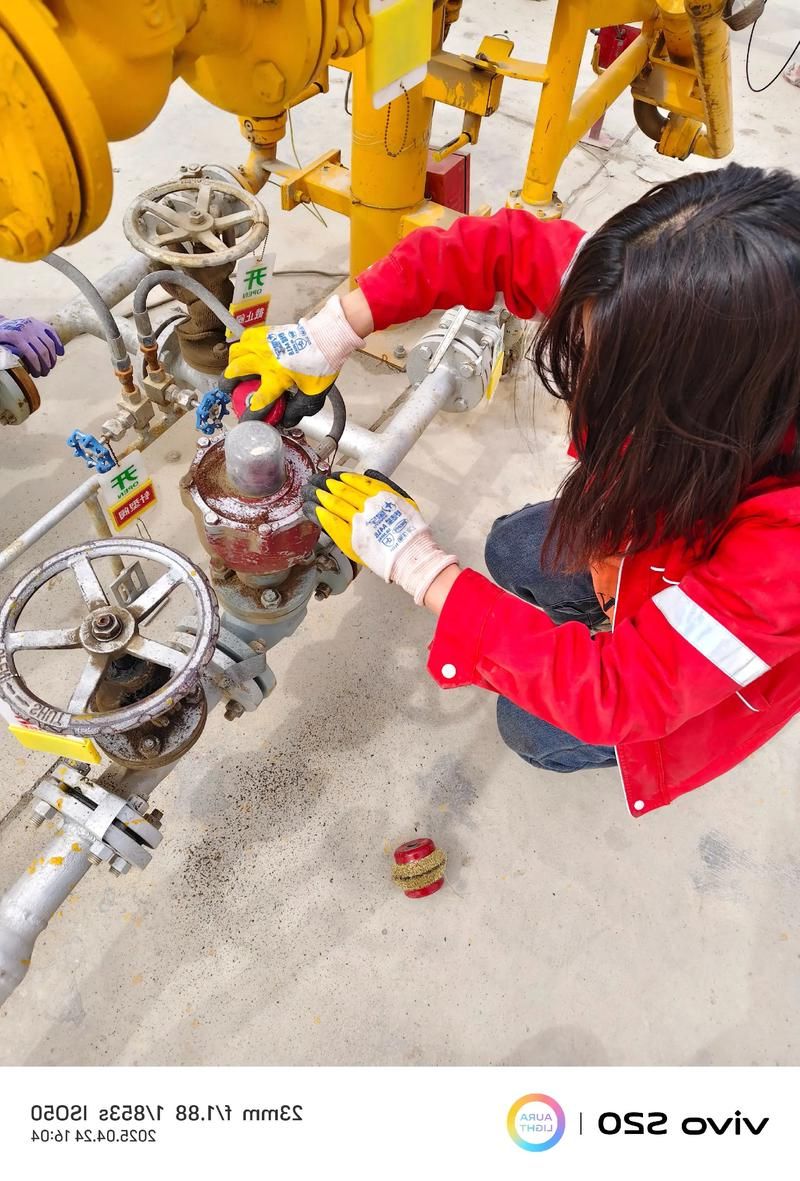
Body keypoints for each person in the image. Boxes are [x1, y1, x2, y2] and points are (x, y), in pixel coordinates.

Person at [225, 163, 800, 818]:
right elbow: (499, 249)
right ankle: (612, 615)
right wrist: (328, 332)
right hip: (653, 531)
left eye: (612, 373)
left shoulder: (785, 552)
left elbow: (624, 693)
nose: (585, 369)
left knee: (531, 728)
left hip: (695, 654)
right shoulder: (646, 292)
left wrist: (420, 568)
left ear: (714, 403)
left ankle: (621, 703)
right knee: (512, 549)